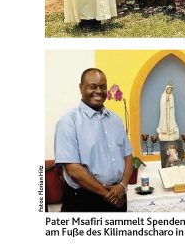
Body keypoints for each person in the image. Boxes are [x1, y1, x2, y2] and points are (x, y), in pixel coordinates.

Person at [54, 68, 132, 211]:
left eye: (102, 87)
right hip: (84, 201)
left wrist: (122, 186)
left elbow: (128, 156)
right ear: (81, 88)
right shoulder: (68, 122)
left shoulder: (116, 120)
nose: (98, 91)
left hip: (118, 196)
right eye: (93, 86)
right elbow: (74, 171)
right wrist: (109, 194)